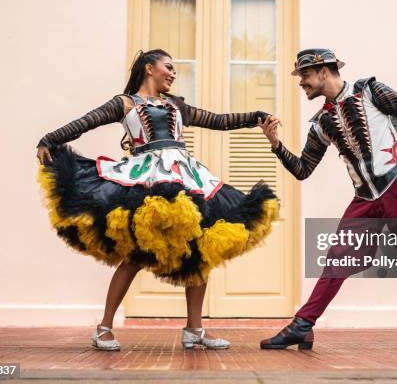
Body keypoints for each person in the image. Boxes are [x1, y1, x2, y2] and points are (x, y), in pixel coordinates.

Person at [36, 49, 279, 351]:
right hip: (146, 179)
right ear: (149, 68)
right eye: (168, 67)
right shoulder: (124, 104)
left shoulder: (177, 105)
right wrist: (50, 139)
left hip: (186, 178)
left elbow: (218, 120)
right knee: (135, 256)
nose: (173, 73)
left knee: (200, 250)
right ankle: (104, 328)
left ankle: (194, 329)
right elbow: (86, 122)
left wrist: (255, 117)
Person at [258, 48, 397, 351]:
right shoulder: (321, 123)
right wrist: (275, 143)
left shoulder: (371, 90)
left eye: (304, 75)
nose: (301, 82)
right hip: (364, 196)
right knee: (338, 257)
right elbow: (303, 169)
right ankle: (303, 326)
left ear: (324, 71)